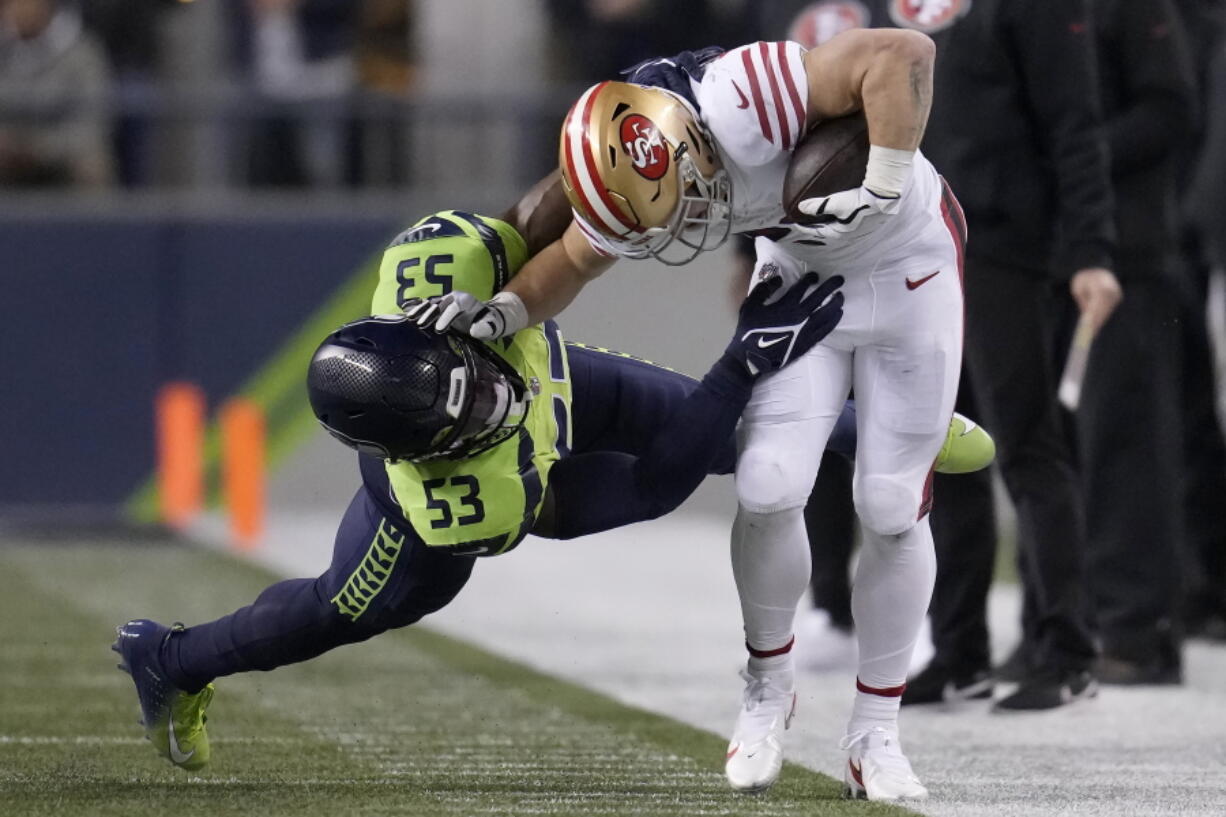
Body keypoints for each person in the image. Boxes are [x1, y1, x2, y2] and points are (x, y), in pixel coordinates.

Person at [406, 29, 964, 802]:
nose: (679, 229)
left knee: (892, 504)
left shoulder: (745, 101)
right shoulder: (630, 156)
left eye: (675, 207)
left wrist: (884, 180)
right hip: (803, 275)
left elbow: (906, 52)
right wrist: (502, 313)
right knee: (768, 486)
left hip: (911, 264)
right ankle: (768, 688)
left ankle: (876, 732)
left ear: (695, 143)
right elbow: (570, 258)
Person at [889, 0, 1123, 712]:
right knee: (939, 447)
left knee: (1027, 448)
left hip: (1005, 246)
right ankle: (959, 650)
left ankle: (1070, 649)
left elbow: (1075, 119)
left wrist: (1090, 248)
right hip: (917, 243)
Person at [0, 0, 114, 187]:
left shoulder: (83, 52)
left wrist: (39, 150)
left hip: (61, 154)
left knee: (91, 164)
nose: (17, 9)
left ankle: (95, 217)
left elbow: (90, 126)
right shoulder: (4, 47)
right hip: (7, 153)